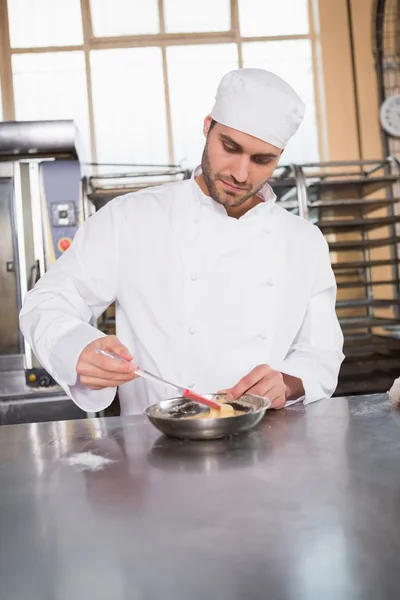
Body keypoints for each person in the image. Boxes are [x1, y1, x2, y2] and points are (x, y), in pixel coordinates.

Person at [20, 68, 344, 415]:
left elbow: (321, 351)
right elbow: (48, 301)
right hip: (155, 447)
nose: (240, 173)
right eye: (230, 148)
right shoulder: (130, 218)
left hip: (267, 445)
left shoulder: (303, 241)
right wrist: (76, 348)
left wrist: (288, 381)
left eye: (261, 160)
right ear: (207, 127)